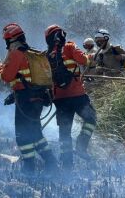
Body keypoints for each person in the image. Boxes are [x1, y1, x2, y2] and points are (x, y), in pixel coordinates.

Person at [0, 23, 58, 174]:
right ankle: (51, 164)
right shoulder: (32, 52)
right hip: (38, 98)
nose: (6, 45)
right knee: (35, 134)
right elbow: (25, 79)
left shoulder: (17, 54)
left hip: (26, 100)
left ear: (12, 40)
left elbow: (6, 76)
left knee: (22, 136)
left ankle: (29, 168)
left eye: (7, 41)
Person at [45, 24, 97, 170]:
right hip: (77, 95)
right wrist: (92, 56)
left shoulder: (46, 55)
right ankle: (81, 146)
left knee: (64, 131)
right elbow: (85, 61)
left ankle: (67, 164)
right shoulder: (69, 46)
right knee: (91, 119)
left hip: (59, 99)